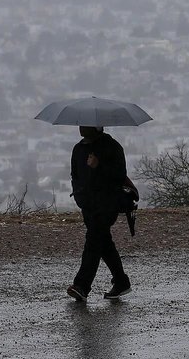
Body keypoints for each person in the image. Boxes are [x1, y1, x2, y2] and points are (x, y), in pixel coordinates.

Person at [66, 125, 132, 301]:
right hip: (88, 205)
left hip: (107, 203)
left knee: (94, 240)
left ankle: (82, 285)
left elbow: (119, 175)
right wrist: (79, 196)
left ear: (96, 127)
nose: (81, 127)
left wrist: (98, 166)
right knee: (103, 243)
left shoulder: (112, 147)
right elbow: (75, 175)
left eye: (85, 124)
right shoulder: (78, 149)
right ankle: (121, 281)